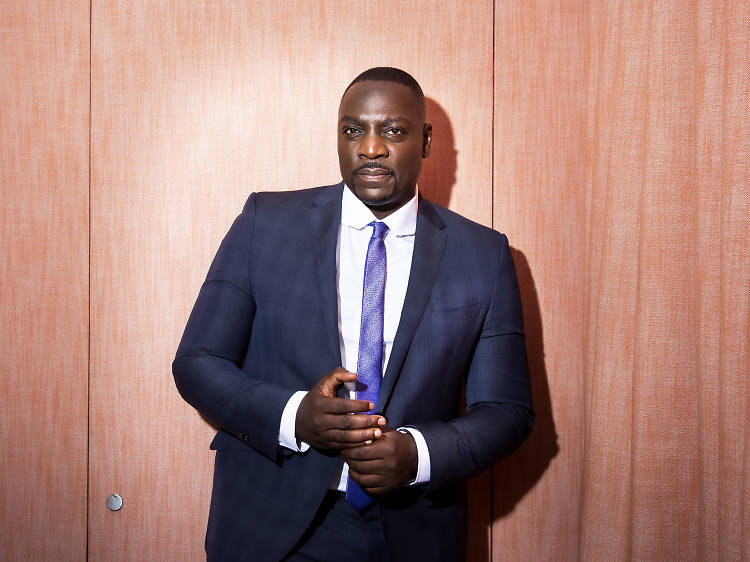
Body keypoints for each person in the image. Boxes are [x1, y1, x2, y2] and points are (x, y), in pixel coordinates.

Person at [173, 67, 533, 562]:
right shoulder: (266, 223)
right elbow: (197, 362)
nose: (370, 148)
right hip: (271, 525)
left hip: (411, 533)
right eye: (352, 130)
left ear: (425, 141)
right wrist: (293, 416)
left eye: (392, 130)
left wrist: (417, 454)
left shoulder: (483, 255)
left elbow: (507, 411)